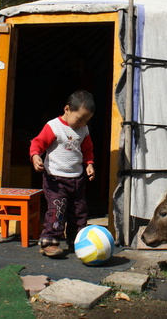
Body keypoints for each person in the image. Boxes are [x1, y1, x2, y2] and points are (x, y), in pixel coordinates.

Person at [30, 90, 95, 257]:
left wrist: (89, 164)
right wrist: (36, 155)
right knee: (57, 210)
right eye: (79, 119)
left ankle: (77, 241)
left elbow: (87, 149)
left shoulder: (84, 130)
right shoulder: (54, 127)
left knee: (79, 211)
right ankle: (49, 242)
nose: (82, 123)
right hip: (55, 178)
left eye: (86, 120)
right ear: (67, 109)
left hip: (77, 178)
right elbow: (38, 142)